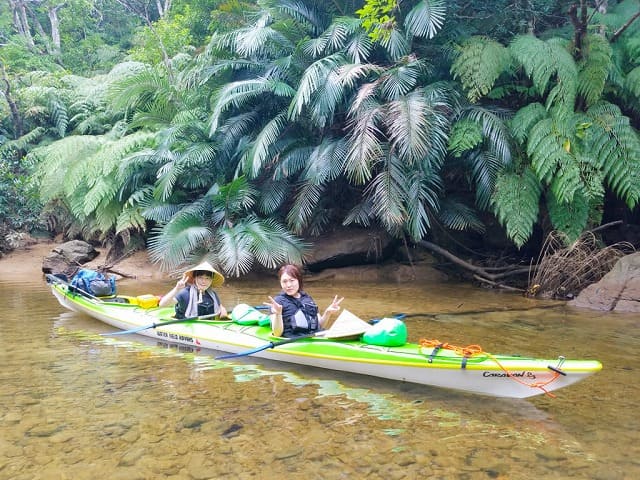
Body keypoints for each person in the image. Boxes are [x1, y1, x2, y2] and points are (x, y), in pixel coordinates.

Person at [264, 264, 344, 337]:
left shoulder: (307, 298)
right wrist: (278, 314)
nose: (288, 285)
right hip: (294, 341)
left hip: (315, 338)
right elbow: (277, 334)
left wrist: (327, 313)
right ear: (280, 283)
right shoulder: (277, 302)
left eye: (292, 280)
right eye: (284, 281)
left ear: (299, 280)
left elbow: (319, 325)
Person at [159, 261, 228, 319]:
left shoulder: (212, 294)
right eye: (200, 277)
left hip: (207, 327)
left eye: (207, 278)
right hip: (184, 326)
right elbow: (162, 305)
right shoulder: (185, 293)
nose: (204, 281)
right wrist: (176, 289)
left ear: (211, 280)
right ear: (195, 278)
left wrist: (222, 309)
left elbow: (219, 305)